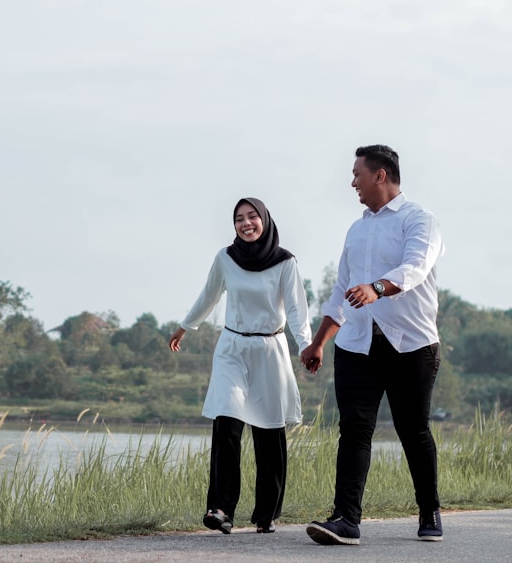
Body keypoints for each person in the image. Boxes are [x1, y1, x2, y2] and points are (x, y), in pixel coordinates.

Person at [300, 144, 445, 546]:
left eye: (357, 174)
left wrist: (377, 288)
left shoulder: (420, 220)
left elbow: (414, 268)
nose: (352, 183)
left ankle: (429, 509)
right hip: (357, 346)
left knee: (413, 430)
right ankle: (346, 518)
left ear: (380, 175)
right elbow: (340, 293)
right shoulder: (357, 229)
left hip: (411, 345)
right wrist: (318, 343)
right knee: (354, 429)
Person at [169, 197, 311, 535]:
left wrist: (306, 345)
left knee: (269, 432)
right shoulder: (226, 258)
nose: (246, 224)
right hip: (232, 347)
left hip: (269, 349)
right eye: (239, 219)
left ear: (264, 220)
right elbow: (209, 295)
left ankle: (267, 513)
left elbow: (296, 309)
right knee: (227, 424)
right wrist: (185, 326)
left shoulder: (285, 262)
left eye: (252, 217)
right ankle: (220, 509)